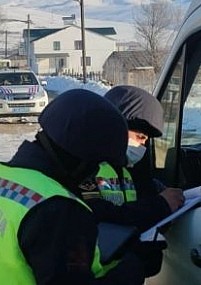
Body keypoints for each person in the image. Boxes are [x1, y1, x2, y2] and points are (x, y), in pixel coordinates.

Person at [0, 89, 150, 284]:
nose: (94, 171)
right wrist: (131, 271)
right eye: (96, 163)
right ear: (82, 159)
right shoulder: (59, 209)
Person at [78, 85, 185, 277]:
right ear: (116, 128)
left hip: (126, 272)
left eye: (146, 141)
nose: (142, 146)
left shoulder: (132, 169)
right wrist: (160, 205)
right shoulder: (85, 166)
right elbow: (98, 213)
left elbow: (147, 200)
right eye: (140, 137)